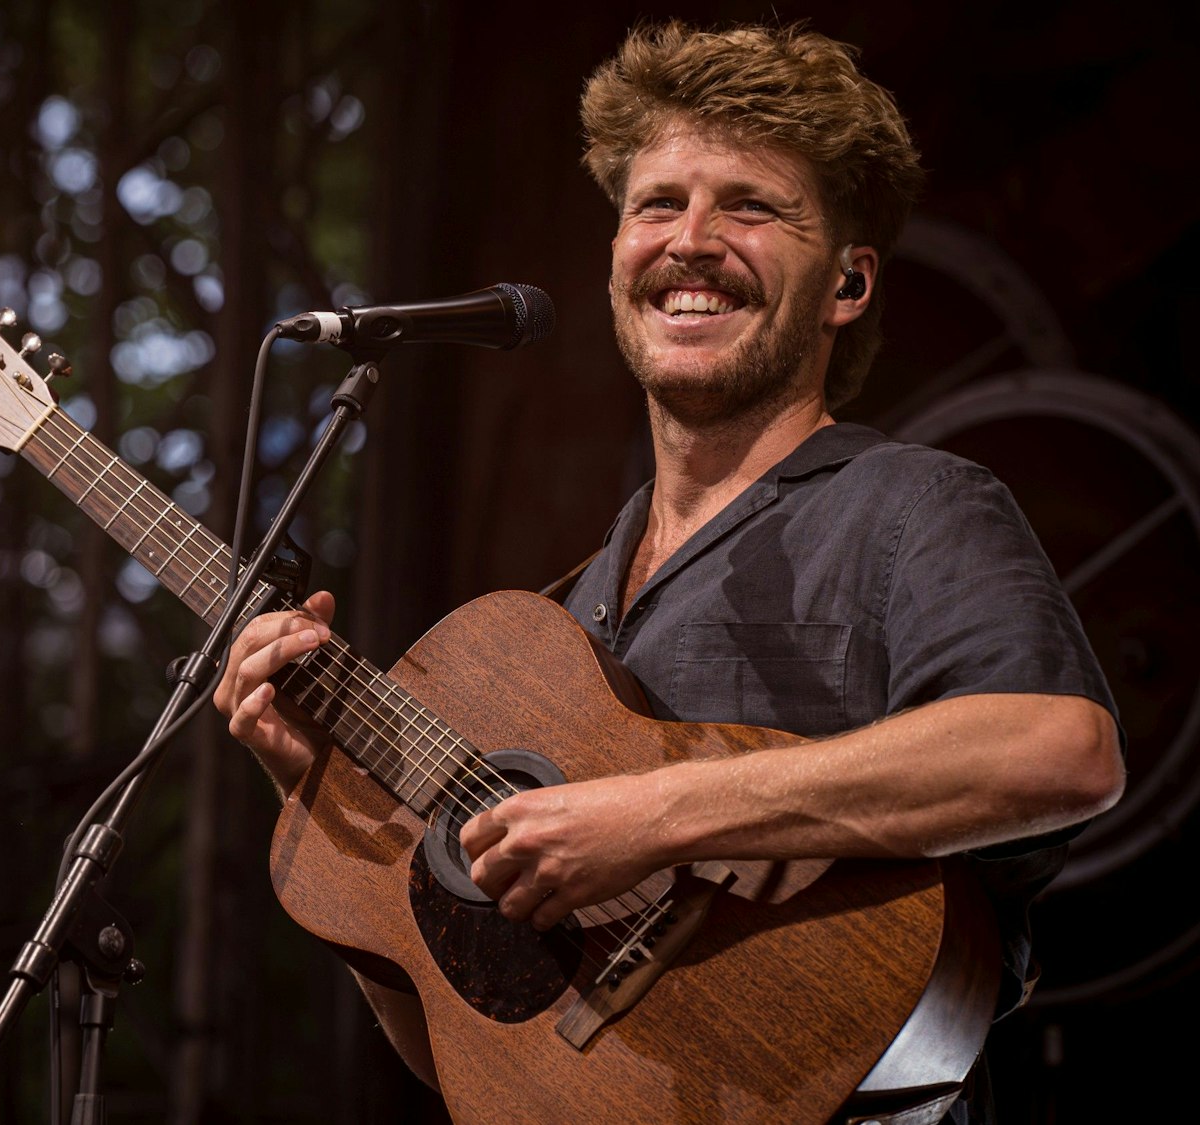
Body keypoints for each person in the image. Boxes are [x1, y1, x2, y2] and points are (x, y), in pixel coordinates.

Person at [211, 20, 1124, 1123]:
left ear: (845, 283)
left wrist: (653, 816)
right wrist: (326, 801)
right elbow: (478, 1056)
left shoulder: (908, 506)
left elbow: (1058, 750)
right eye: (655, 204)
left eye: (748, 205)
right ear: (612, 264)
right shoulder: (567, 607)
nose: (688, 240)